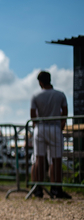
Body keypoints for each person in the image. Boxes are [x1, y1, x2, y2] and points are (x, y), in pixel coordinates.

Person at [30, 71, 70, 199]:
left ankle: (38, 188)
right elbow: (64, 112)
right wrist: (61, 125)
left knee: (39, 158)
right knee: (56, 159)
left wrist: (36, 126)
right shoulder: (60, 94)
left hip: (41, 127)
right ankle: (56, 188)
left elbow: (33, 115)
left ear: (40, 82)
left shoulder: (36, 95)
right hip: (55, 126)